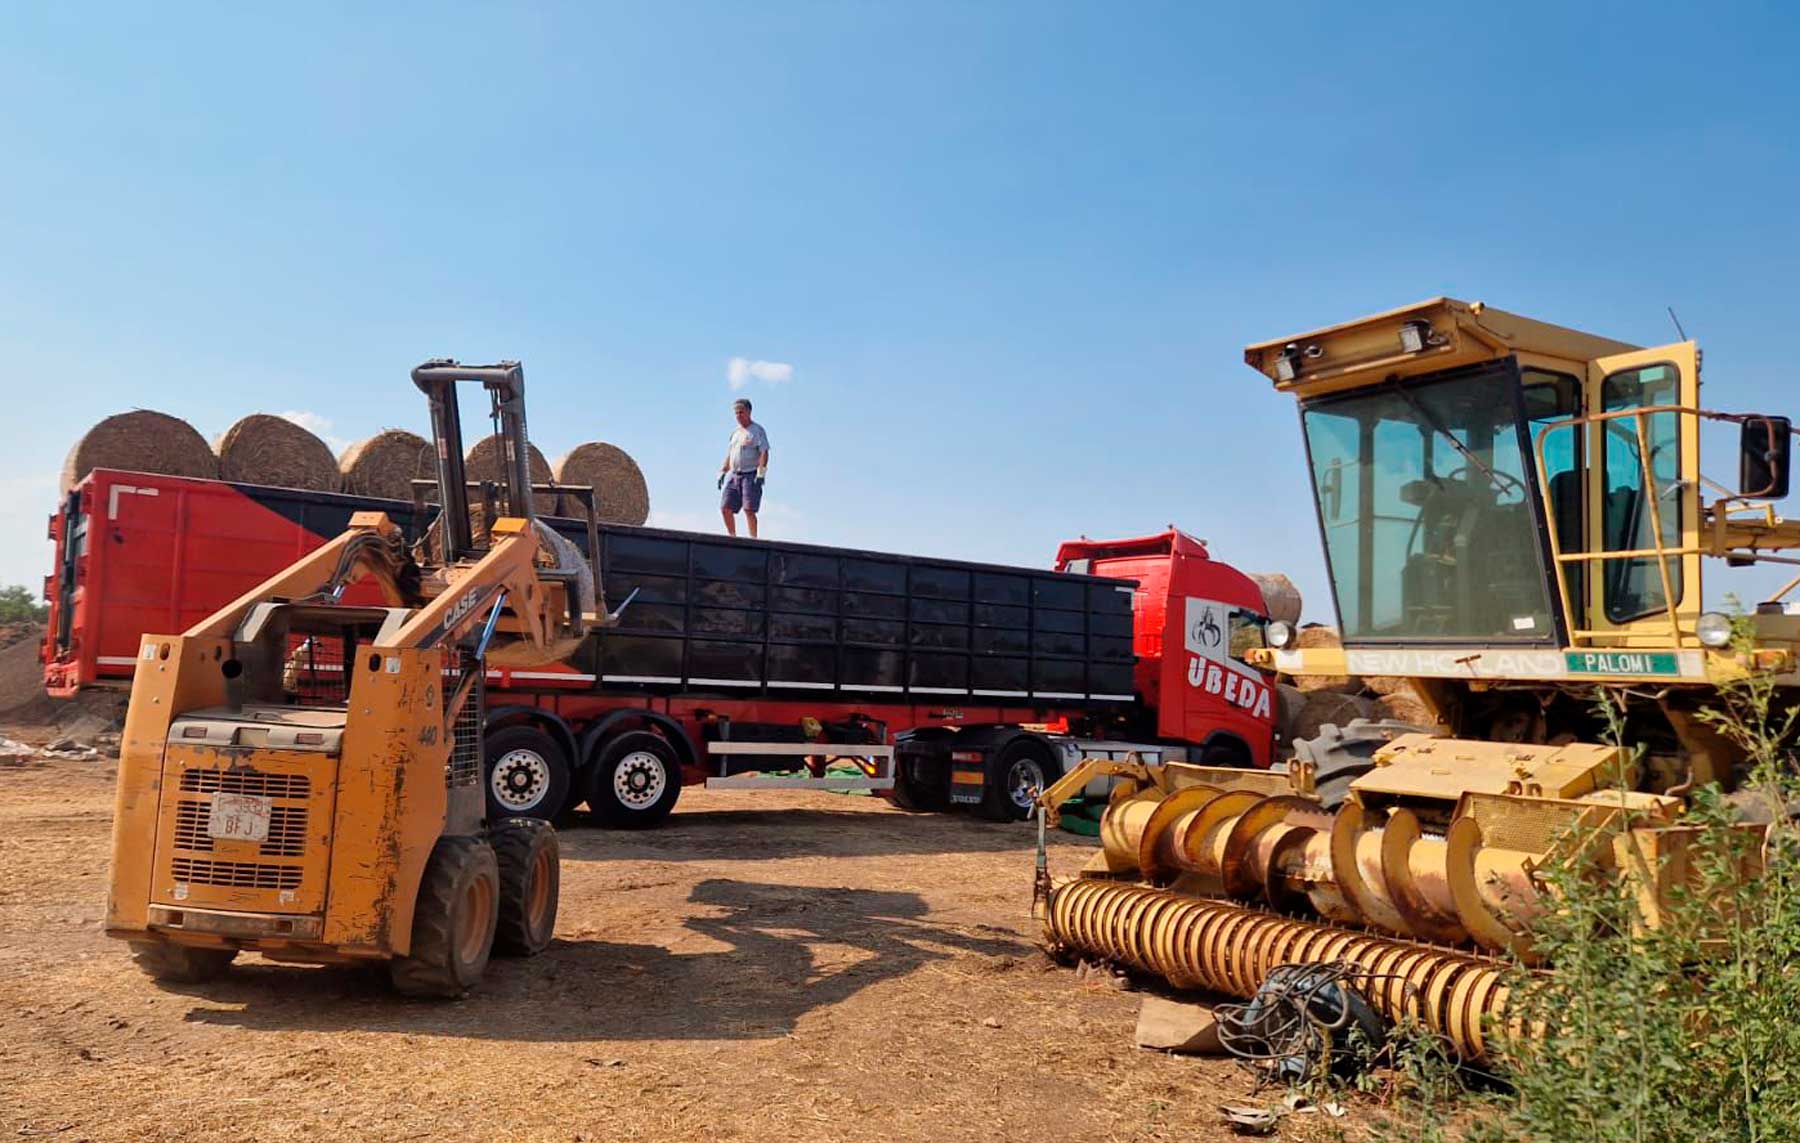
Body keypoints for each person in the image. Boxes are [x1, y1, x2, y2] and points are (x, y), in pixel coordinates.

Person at [718, 397, 770, 538]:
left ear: (748, 412)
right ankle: (732, 536)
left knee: (749, 509)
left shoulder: (757, 431)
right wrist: (723, 471)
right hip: (735, 474)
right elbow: (731, 454)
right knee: (725, 507)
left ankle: (753, 538)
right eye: (736, 413)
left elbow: (764, 452)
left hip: (750, 474)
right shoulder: (735, 433)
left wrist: (761, 472)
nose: (738, 416)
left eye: (741, 412)